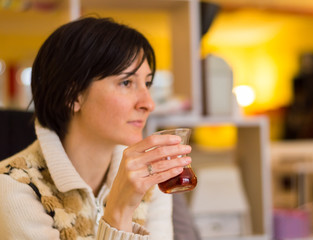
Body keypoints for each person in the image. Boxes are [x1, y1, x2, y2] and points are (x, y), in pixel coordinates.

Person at [0, 16, 193, 240]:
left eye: (147, 83)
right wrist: (119, 212)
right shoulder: (13, 188)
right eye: (126, 82)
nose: (148, 103)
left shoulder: (149, 181)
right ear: (72, 96)